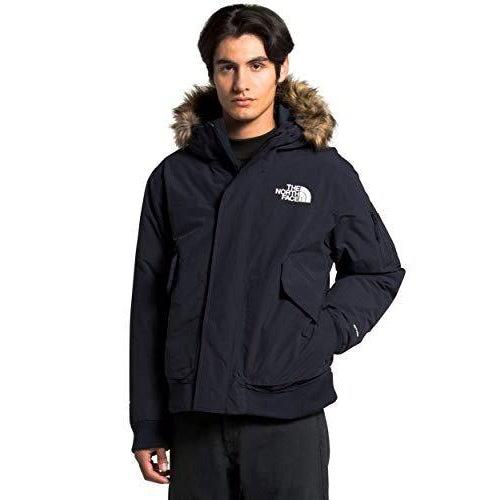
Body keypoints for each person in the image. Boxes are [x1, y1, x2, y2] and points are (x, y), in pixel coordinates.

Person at [129, 4, 406, 499]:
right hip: (196, 418)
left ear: (281, 68)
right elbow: (148, 305)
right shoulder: (174, 178)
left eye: (256, 65)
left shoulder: (324, 172)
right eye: (227, 67)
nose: (241, 83)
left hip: (288, 415)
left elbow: (377, 270)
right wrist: (148, 422)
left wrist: (322, 333)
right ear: (211, 73)